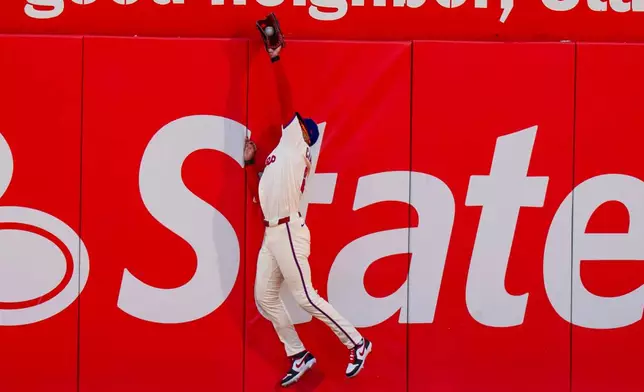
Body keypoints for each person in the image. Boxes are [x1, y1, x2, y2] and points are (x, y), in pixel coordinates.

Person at [243, 45, 372, 388]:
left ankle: (357, 342)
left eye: (299, 126)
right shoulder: (277, 158)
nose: (294, 124)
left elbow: (286, 101)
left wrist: (275, 57)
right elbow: (261, 193)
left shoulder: (295, 145)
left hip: (287, 230)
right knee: (264, 298)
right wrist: (251, 164)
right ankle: (299, 354)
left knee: (305, 296)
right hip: (272, 233)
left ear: (303, 136)